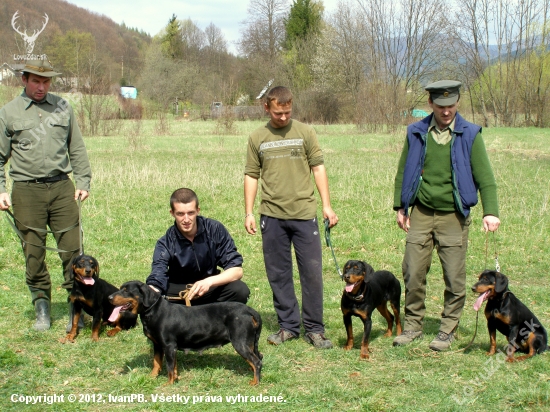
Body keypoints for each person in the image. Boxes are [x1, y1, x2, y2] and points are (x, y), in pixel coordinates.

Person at [392, 80, 501, 351]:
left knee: (454, 276)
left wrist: (491, 212)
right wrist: (400, 206)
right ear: (430, 104)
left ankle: (447, 330)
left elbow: (485, 177)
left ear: (458, 103)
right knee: (413, 271)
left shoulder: (470, 134)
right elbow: (403, 170)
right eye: (440, 106)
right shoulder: (416, 132)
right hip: (422, 213)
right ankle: (413, 325)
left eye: (450, 106)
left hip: (454, 215)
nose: (445, 111)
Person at [0, 59, 92, 331]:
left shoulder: (63, 107)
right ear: (24, 81)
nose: (42, 87)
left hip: (62, 188)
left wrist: (83, 180)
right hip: (27, 190)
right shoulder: (8, 112)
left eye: (46, 81)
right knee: (33, 251)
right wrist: (1, 190)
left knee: (72, 250)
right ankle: (41, 305)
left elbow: (76, 146)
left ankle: (77, 306)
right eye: (36, 81)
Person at [244, 86, 338, 349]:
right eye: (278, 113)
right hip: (271, 216)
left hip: (304, 215)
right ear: (266, 107)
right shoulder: (257, 137)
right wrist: (249, 212)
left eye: (287, 112)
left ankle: (315, 329)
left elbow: (318, 168)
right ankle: (288, 326)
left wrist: (326, 205)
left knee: (312, 273)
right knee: (278, 274)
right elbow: (251, 175)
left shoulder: (305, 132)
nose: (283, 117)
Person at [146, 188, 250, 305]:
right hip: (180, 292)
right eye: (180, 214)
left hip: (209, 287)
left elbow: (237, 270)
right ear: (172, 213)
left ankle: (215, 318)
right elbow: (157, 274)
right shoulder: (165, 242)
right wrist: (150, 291)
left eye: (190, 213)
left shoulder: (214, 230)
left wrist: (208, 282)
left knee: (240, 290)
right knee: (156, 297)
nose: (186, 219)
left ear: (197, 210)